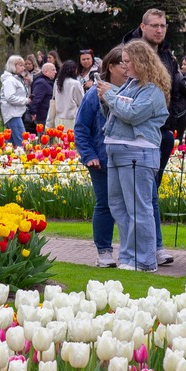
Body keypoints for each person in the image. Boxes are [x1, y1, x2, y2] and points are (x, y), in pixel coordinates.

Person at [122, 9, 186, 267]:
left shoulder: (167, 56)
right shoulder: (129, 52)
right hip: (138, 132)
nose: (159, 30)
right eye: (154, 25)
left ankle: (148, 246)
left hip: (163, 131)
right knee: (146, 194)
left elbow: (173, 91)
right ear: (142, 26)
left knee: (150, 192)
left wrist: (177, 116)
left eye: (163, 25)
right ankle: (152, 247)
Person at [98, 41, 170, 272]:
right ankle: (128, 258)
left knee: (138, 207)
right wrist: (105, 98)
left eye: (128, 62)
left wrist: (110, 96)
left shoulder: (152, 91)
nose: (124, 66)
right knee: (119, 206)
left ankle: (145, 260)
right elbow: (117, 114)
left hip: (137, 152)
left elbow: (133, 114)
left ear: (141, 62)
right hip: (117, 150)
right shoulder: (131, 85)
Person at [75, 47, 125, 266]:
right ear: (110, 67)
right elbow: (81, 127)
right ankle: (104, 250)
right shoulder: (94, 94)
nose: (127, 67)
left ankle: (132, 250)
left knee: (132, 206)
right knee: (105, 204)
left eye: (129, 62)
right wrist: (89, 155)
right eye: (122, 63)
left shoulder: (137, 90)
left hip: (129, 159)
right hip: (102, 161)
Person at [0, 55, 30, 146]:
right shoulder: (10, 80)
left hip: (16, 113)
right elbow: (10, 97)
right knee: (22, 142)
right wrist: (26, 100)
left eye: (23, 65)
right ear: (12, 66)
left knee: (12, 144)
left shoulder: (16, 79)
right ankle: (24, 158)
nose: (23, 68)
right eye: (20, 65)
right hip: (13, 114)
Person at [48, 60, 84, 131]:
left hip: (58, 119)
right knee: (70, 141)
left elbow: (54, 99)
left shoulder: (57, 82)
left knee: (59, 140)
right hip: (72, 120)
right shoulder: (75, 83)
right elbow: (82, 102)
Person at [28, 62, 56, 130]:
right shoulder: (41, 83)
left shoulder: (46, 82)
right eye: (53, 70)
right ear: (46, 72)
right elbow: (35, 99)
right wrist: (33, 112)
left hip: (46, 115)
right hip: (43, 117)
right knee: (44, 138)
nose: (55, 72)